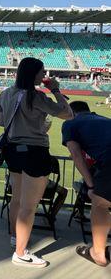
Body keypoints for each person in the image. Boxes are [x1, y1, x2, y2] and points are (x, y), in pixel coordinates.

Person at [0, 57, 72, 268]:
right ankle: (20, 253)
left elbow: (1, 122)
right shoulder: (36, 97)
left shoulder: (5, 94)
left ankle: (15, 239)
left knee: (17, 200)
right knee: (29, 206)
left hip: (13, 151)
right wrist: (55, 90)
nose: (44, 76)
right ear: (33, 75)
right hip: (35, 152)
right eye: (42, 72)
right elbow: (68, 113)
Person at [62, 101, 111, 267]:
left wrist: (90, 186)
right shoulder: (104, 118)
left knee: (99, 203)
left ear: (71, 112)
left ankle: (98, 253)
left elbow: (76, 155)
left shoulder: (70, 123)